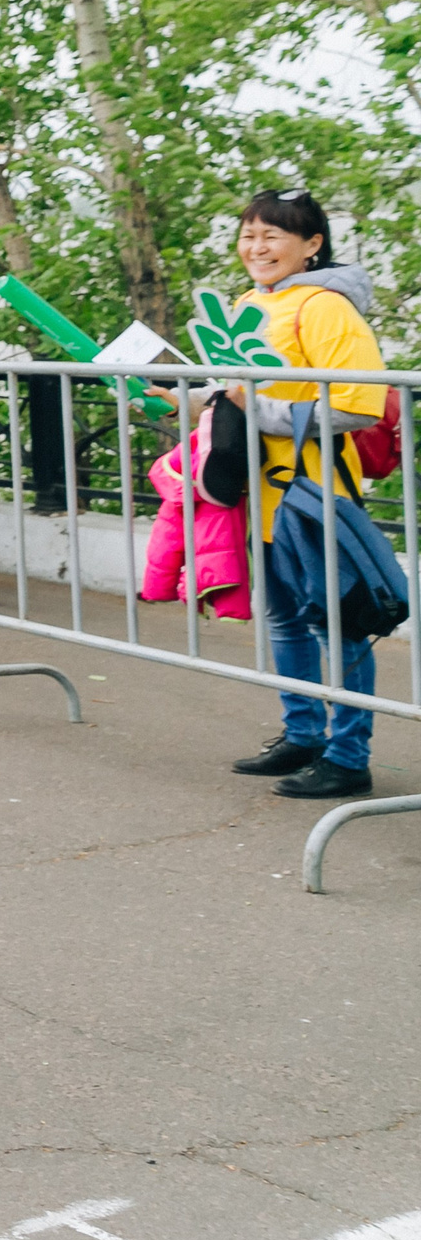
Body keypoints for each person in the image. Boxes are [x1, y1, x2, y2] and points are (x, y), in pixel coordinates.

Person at [218, 189, 389, 800]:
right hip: (265, 495)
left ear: (312, 244)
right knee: (285, 620)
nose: (256, 247)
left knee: (336, 626)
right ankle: (303, 734)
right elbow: (235, 392)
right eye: (248, 235)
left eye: (273, 235)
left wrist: (260, 410)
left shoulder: (325, 307)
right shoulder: (248, 304)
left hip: (317, 493)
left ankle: (349, 756)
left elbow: (360, 403)